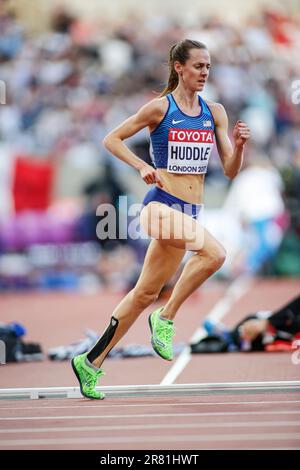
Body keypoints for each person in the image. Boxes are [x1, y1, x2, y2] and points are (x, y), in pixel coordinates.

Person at [71, 39, 250, 399]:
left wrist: (239, 145)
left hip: (189, 211)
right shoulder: (159, 108)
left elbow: (230, 171)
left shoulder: (214, 112)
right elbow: (112, 139)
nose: (204, 73)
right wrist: (141, 166)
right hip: (160, 207)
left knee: (143, 294)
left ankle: (89, 362)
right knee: (214, 254)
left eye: (208, 67)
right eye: (198, 66)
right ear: (179, 66)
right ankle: (166, 318)